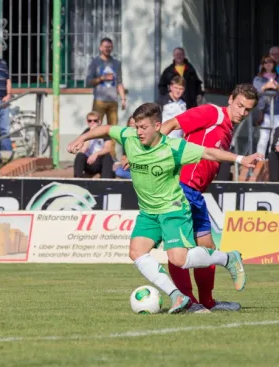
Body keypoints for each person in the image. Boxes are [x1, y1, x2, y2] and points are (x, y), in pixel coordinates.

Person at [67, 103, 262, 314]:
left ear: (158, 126)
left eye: (143, 127)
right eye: (137, 127)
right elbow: (106, 129)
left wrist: (242, 159)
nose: (139, 132)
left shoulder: (174, 147)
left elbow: (210, 153)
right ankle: (177, 296)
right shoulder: (129, 136)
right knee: (136, 252)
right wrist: (82, 138)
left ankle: (228, 258)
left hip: (172, 210)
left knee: (178, 259)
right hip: (148, 212)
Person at [159, 83, 259, 312]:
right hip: (180, 189)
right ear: (231, 99)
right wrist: (148, 153)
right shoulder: (211, 112)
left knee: (207, 249)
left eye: (247, 110)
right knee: (180, 251)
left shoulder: (228, 127)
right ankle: (187, 301)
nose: (241, 113)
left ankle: (206, 302)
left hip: (195, 193)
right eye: (239, 106)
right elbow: (171, 124)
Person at [86, 38, 126, 125]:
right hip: (99, 100)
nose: (108, 49)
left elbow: (119, 82)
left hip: (113, 100)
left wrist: (123, 99)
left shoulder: (116, 63)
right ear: (101, 48)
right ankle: (97, 140)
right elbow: (88, 82)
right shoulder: (95, 62)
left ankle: (111, 140)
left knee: (113, 127)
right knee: (95, 125)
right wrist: (101, 78)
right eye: (105, 47)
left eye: (110, 47)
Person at [253, 56, 279, 155]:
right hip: (264, 111)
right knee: (264, 136)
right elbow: (255, 93)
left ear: (274, 64)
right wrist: (265, 86)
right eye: (265, 62)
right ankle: (260, 160)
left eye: (270, 62)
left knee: (277, 137)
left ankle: (274, 160)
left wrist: (278, 87)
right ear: (262, 65)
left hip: (277, 110)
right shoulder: (258, 78)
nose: (268, 64)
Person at [73, 111, 114, 179]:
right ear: (87, 122)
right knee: (80, 156)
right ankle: (77, 179)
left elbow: (108, 148)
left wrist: (96, 154)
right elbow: (82, 150)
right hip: (88, 162)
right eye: (90, 121)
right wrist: (90, 135)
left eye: (95, 121)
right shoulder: (85, 132)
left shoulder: (104, 132)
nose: (92, 123)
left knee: (107, 157)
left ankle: (105, 181)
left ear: (99, 121)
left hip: (100, 162)